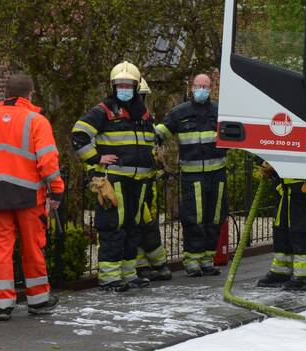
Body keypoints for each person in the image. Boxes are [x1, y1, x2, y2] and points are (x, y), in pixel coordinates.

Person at [72, 62, 158, 292]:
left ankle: (128, 275)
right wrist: (96, 158)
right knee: (113, 228)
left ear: (136, 86)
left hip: (139, 181)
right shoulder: (103, 110)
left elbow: (150, 143)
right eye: (119, 85)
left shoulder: (143, 113)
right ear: (112, 86)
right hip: (114, 180)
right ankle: (109, 278)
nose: (124, 88)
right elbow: (79, 135)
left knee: (132, 228)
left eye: (128, 85)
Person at [0, 74, 64, 320]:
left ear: (5, 95)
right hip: (28, 196)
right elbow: (47, 160)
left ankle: (1, 304)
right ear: (29, 94)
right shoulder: (36, 120)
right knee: (32, 246)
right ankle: (38, 299)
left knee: (0, 249)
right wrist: (56, 189)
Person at [155, 74, 226, 277]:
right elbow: (159, 133)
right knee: (194, 218)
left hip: (217, 173)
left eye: (205, 86)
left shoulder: (219, 111)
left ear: (211, 89)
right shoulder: (179, 112)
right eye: (198, 86)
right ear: (191, 87)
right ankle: (192, 260)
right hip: (192, 176)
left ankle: (207, 259)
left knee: (214, 217)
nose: (201, 89)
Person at [256, 162, 306, 292]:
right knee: (282, 229)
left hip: (304, 186)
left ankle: (303, 277)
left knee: (301, 230)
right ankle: (281, 271)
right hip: (287, 186)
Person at [134, 79, 170, 281]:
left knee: (147, 226)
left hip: (147, 184)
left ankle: (157, 265)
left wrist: (160, 164)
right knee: (139, 226)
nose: (140, 101)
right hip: (131, 183)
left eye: (142, 97)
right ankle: (145, 266)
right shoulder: (116, 121)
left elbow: (154, 149)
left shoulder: (147, 121)